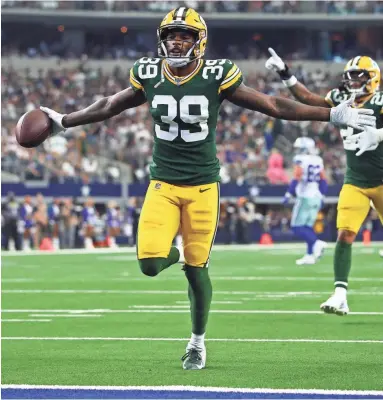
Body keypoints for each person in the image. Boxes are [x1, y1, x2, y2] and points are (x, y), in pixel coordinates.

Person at [39, 8, 374, 368]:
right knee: (150, 264)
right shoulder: (148, 72)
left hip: (202, 187)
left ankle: (197, 342)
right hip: (163, 184)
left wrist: (329, 114)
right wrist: (63, 121)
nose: (176, 41)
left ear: (200, 41)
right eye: (170, 35)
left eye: (183, 35)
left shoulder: (217, 74)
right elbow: (109, 105)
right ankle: (180, 254)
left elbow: (273, 105)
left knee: (198, 273)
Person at [266, 49, 383, 315]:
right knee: (345, 234)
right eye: (350, 77)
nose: (352, 82)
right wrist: (287, 74)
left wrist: (378, 134)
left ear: (373, 78)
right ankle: (340, 294)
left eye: (358, 76)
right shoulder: (342, 98)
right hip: (355, 180)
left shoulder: (380, 100)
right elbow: (309, 100)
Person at [283, 137, 327, 265]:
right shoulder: (318, 160)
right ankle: (309, 255)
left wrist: (288, 193)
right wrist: (322, 196)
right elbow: (323, 180)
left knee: (297, 227)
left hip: (305, 196)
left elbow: (296, 177)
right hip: (317, 196)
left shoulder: (300, 160)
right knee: (308, 227)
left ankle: (316, 244)